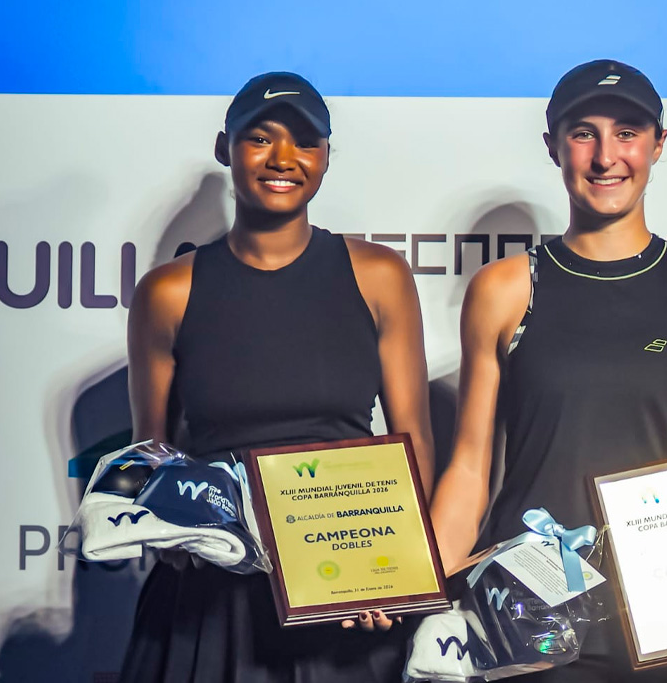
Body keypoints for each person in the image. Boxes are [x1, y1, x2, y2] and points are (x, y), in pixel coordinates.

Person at [430, 60, 667, 682]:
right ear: (553, 146)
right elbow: (470, 469)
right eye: (584, 133)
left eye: (627, 132)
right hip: (533, 611)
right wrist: (417, 587)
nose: (606, 156)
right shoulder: (504, 289)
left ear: (658, 144)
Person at [119, 71, 435, 682]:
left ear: (325, 158)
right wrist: (170, 531)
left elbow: (413, 441)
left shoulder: (379, 275)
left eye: (305, 142)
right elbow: (150, 452)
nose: (283, 158)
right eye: (260, 138)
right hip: (215, 598)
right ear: (225, 149)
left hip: (345, 588)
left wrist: (397, 569)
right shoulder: (167, 291)